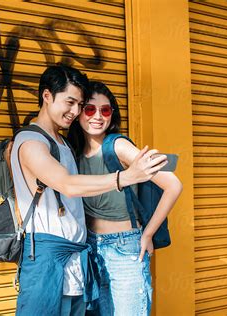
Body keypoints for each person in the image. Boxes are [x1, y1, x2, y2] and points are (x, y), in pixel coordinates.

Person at [11, 65, 168, 316]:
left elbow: (170, 179)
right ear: (47, 96)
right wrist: (126, 177)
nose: (74, 112)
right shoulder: (31, 142)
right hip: (48, 260)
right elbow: (68, 185)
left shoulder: (64, 142)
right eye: (70, 102)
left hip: (80, 260)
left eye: (79, 105)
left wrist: (146, 232)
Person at [67, 81, 183, 315]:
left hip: (124, 248)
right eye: (90, 109)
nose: (98, 116)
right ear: (79, 113)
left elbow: (173, 184)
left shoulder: (118, 146)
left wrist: (148, 234)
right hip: (91, 248)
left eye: (105, 110)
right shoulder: (75, 151)